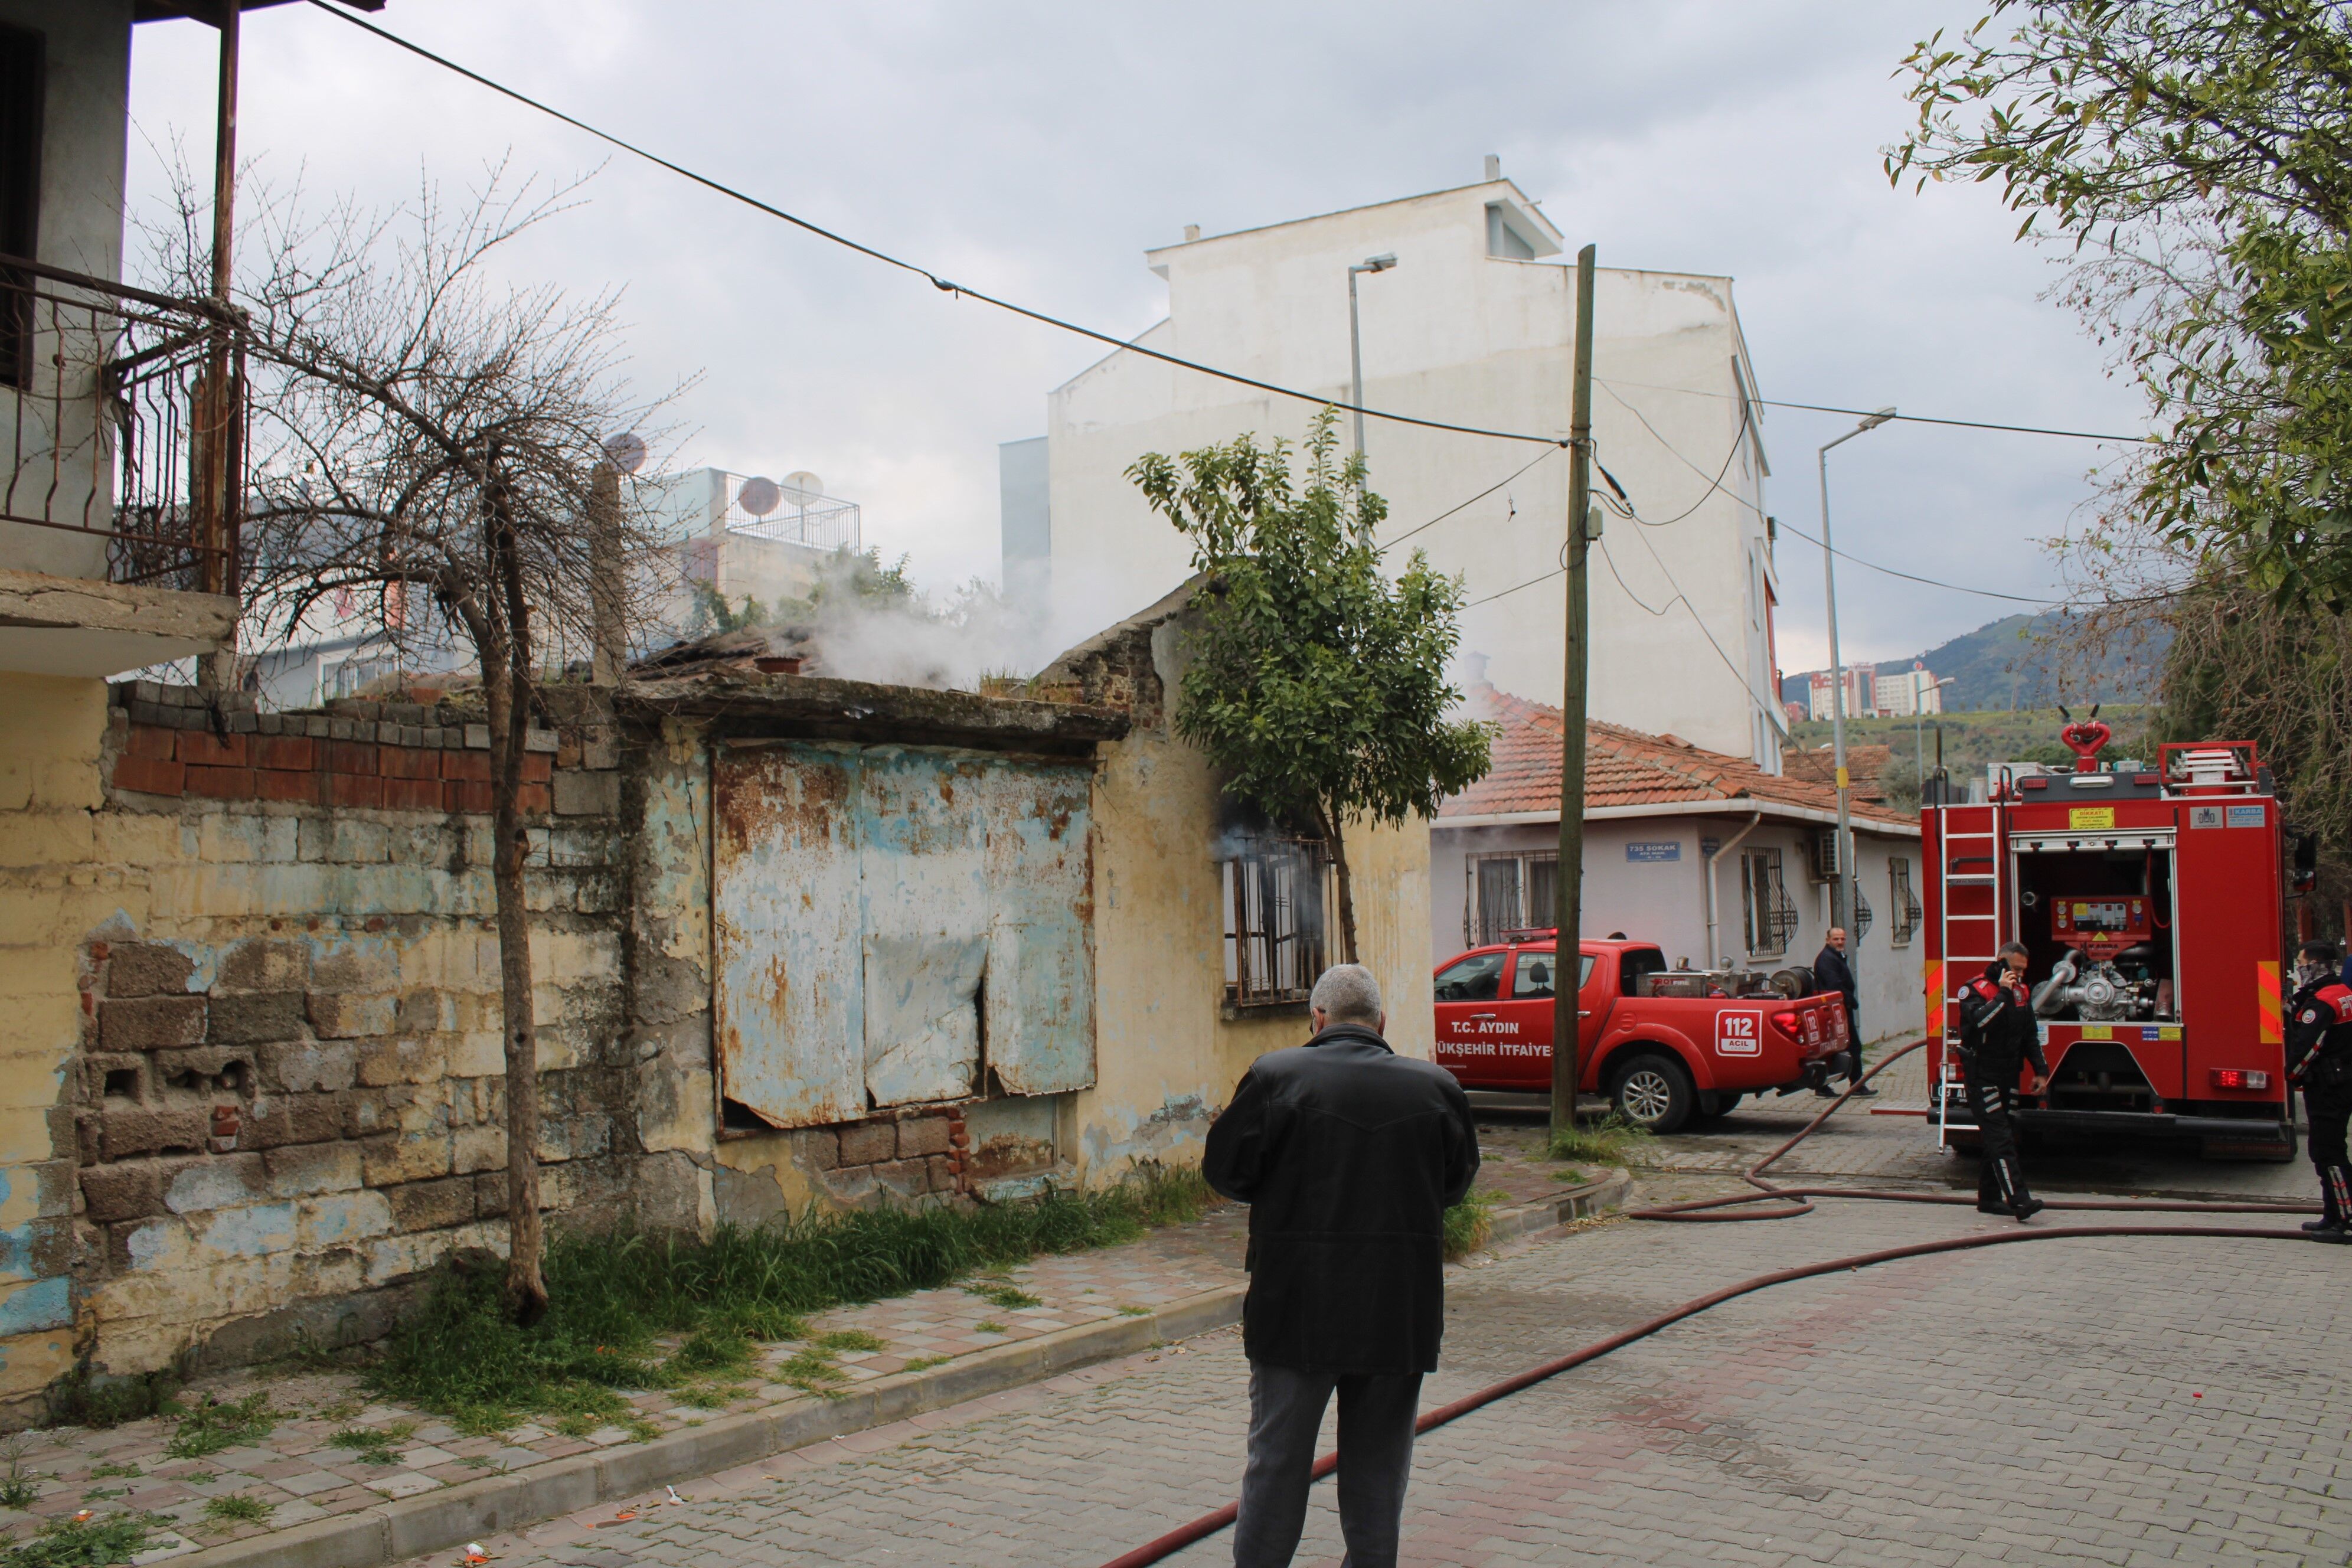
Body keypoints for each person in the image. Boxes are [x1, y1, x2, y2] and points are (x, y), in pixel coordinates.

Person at [1203, 963, 1480, 1568]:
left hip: (1296, 1312)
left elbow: (1226, 1173)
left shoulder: (1277, 1076)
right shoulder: (1437, 1089)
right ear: (1382, 1022)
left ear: (1317, 1019)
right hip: (1397, 1313)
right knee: (1379, 1474)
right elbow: (1454, 1186)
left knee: (1277, 1466)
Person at [1955, 940, 2048, 1221]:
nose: (2019, 975)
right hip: (1982, 1074)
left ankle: (1990, 1198)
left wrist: (2041, 1070)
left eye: (2023, 970)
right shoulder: (1974, 989)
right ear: (2001, 962)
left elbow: (2030, 1034)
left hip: (2009, 1074)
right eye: (2015, 969)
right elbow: (1980, 1022)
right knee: (2001, 1138)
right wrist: (2004, 994)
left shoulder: (2022, 991)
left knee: (2001, 1136)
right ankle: (2020, 1201)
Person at [2285, 939, 2352, 1242]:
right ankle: (2332, 1215)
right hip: (2340, 1082)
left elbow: (2308, 1047)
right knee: (2327, 1150)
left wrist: (2292, 1076)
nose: (2299, 971)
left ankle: (2345, 1220)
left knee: (2328, 1153)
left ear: (2315, 966)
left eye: (2302, 964)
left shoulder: (2322, 1003)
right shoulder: (2343, 993)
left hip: (2328, 1086)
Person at [1812, 927, 1871, 1096]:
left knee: (1842, 1047)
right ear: (1828, 940)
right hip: (1836, 1009)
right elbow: (1834, 984)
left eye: (1842, 939)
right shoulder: (1827, 959)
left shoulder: (1837, 956)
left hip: (1840, 1008)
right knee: (1851, 1046)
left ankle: (1830, 1086)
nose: (1840, 942)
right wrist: (1850, 1000)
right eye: (1836, 939)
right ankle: (1856, 1086)